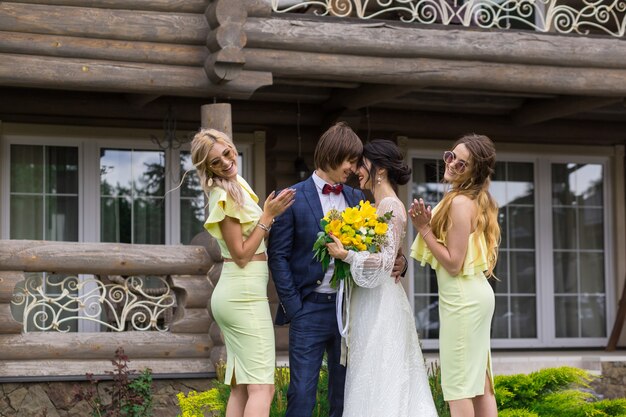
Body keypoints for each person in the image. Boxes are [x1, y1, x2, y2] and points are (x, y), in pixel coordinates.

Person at [325, 139, 439, 417]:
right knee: (368, 372)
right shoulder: (375, 205)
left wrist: (346, 256)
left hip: (381, 303)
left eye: (361, 164)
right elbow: (393, 256)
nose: (356, 171)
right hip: (368, 299)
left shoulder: (391, 206)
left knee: (381, 372)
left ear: (379, 169)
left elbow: (387, 261)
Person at [191, 128, 296, 417]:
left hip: (238, 295)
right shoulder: (223, 195)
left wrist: (266, 219)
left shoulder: (236, 184)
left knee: (241, 386)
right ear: (207, 168)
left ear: (232, 147)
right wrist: (268, 216)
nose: (225, 162)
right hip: (243, 298)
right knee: (263, 388)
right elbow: (240, 255)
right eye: (215, 162)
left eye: (226, 152)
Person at [268, 122, 365, 417]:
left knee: (344, 393)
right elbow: (278, 256)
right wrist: (295, 307)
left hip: (347, 310)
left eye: (356, 161)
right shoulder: (292, 197)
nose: (353, 167)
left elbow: (367, 253)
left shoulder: (356, 199)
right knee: (301, 393)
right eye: (349, 159)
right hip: (307, 309)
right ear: (332, 153)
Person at [408, 134, 500, 417]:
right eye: (451, 157)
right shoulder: (470, 198)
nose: (452, 165)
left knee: (458, 384)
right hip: (472, 295)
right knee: (479, 382)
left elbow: (453, 263)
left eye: (463, 164)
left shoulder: (460, 203)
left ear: (475, 171)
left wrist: (423, 228)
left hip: (463, 300)